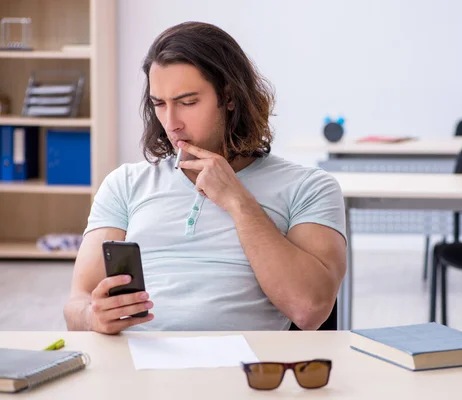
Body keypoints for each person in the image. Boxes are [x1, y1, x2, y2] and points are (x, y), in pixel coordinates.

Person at [63, 21, 347, 334]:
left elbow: (310, 310)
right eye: (159, 104)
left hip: (242, 370)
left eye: (187, 103)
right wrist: (93, 316)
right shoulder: (125, 183)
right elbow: (77, 303)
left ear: (229, 97)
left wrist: (238, 201)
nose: (171, 123)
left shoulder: (309, 187)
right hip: (137, 366)